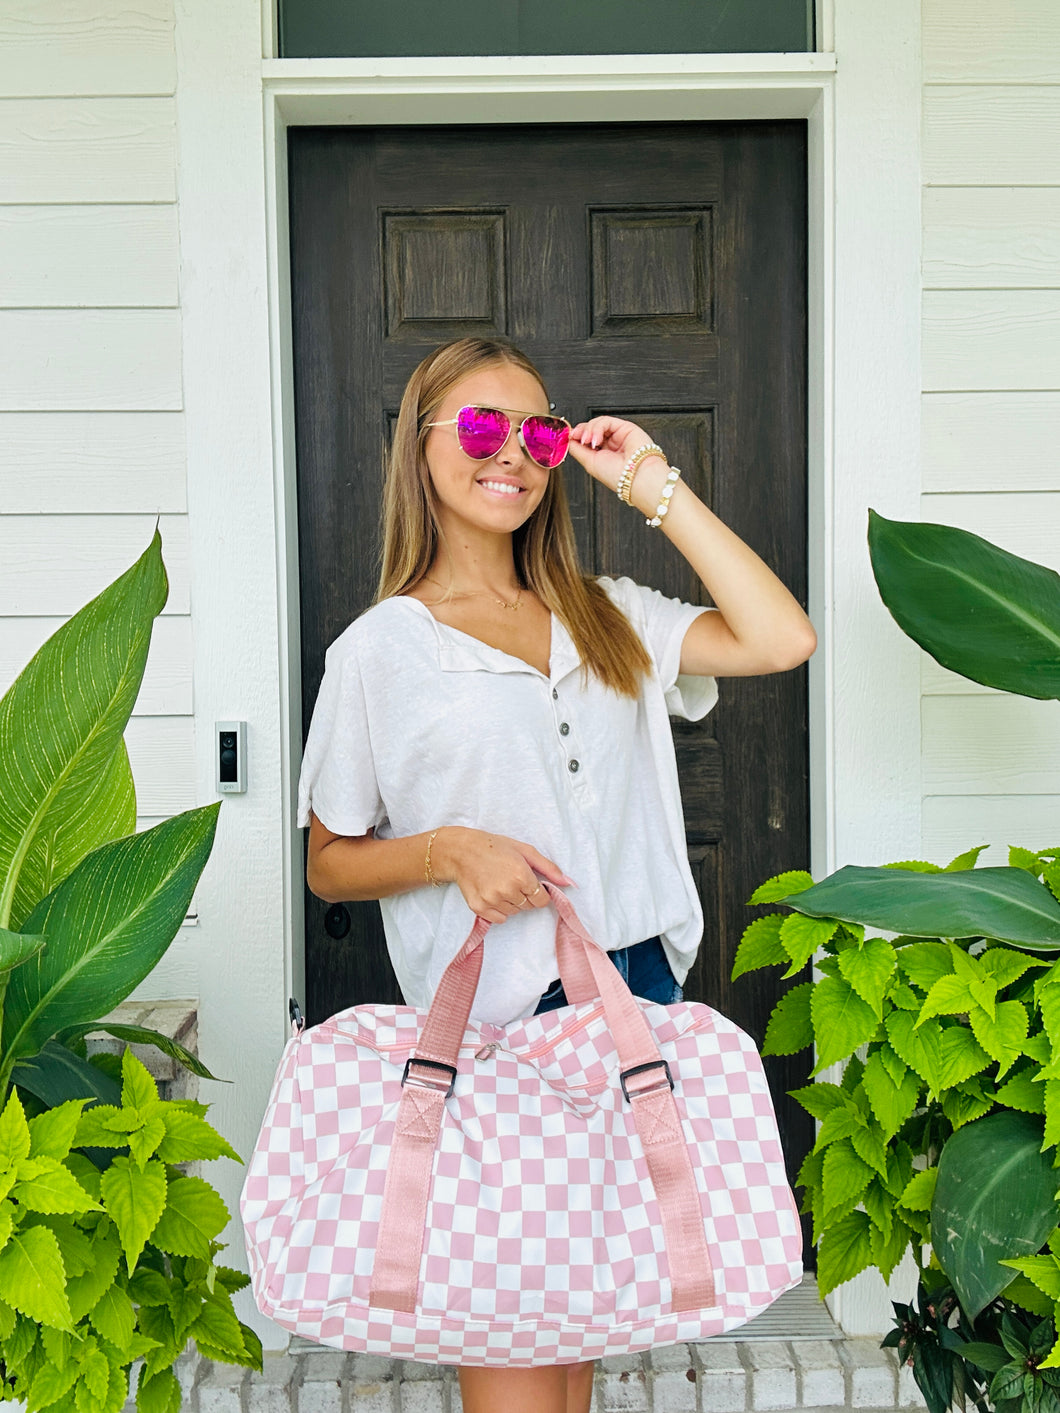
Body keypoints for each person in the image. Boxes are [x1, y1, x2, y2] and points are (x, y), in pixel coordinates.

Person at [297, 336, 816, 1413]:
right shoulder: (378, 653)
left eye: (536, 432)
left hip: (637, 1000)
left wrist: (652, 485)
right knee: (514, 1337)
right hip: (496, 1018)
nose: (514, 456)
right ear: (421, 447)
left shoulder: (605, 610)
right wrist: (452, 850)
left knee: (577, 1330)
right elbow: (330, 863)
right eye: (482, 428)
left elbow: (780, 638)